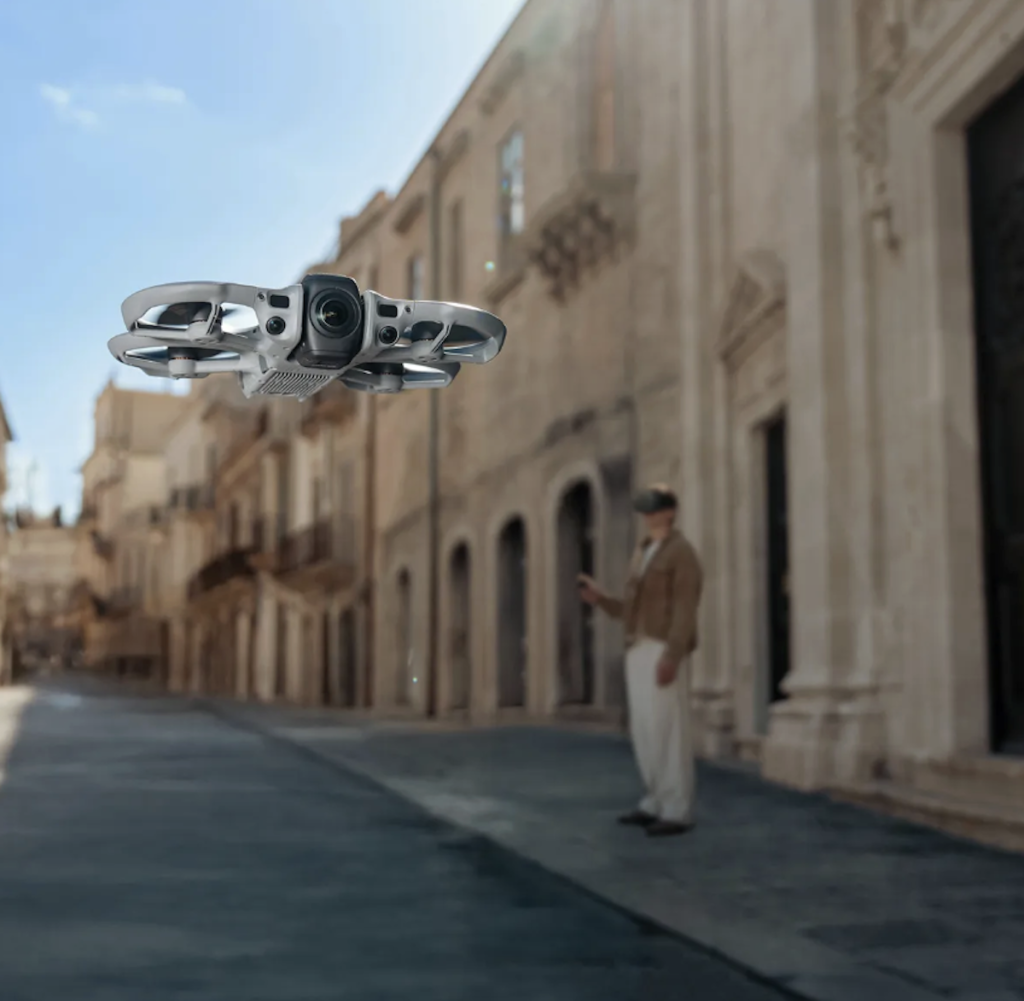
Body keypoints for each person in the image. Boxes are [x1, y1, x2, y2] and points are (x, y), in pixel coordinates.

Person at [578, 484, 703, 837]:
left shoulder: (682, 554)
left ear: (669, 512)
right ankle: (655, 800)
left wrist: (673, 655)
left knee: (668, 730)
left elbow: (684, 609)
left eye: (654, 510)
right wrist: (600, 599)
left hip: (663, 647)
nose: (648, 517)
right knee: (645, 730)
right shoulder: (643, 551)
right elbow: (630, 609)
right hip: (637, 646)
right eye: (645, 511)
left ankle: (678, 810)